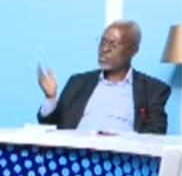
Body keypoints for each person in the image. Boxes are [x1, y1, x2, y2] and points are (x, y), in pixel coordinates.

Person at [37, 20, 170, 134]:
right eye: (102, 42)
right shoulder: (78, 82)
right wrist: (51, 98)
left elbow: (155, 137)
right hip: (75, 156)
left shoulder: (153, 90)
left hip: (120, 160)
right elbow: (51, 127)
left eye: (113, 44)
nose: (104, 49)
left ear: (133, 50)